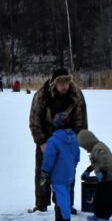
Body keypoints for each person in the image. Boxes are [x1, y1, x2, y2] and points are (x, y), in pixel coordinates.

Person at [29, 68, 88, 212]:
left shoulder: (76, 95)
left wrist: (76, 141)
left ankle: (66, 204)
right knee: (42, 172)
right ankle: (41, 204)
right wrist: (41, 141)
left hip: (67, 140)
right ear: (54, 83)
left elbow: (81, 121)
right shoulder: (41, 95)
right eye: (61, 82)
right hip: (47, 139)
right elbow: (34, 121)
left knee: (67, 173)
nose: (64, 86)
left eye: (67, 82)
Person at [40, 112, 81, 221]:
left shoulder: (53, 141)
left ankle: (63, 220)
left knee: (60, 196)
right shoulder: (73, 138)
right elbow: (77, 156)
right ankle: (65, 217)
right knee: (66, 195)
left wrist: (44, 172)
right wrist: (71, 167)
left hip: (58, 174)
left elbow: (48, 158)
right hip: (69, 173)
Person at [77, 129, 112, 221]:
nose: (85, 149)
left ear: (87, 143)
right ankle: (104, 214)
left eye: (84, 147)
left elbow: (106, 161)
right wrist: (88, 171)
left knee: (103, 197)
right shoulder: (95, 148)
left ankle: (101, 215)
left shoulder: (99, 149)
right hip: (106, 176)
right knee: (103, 196)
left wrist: (103, 173)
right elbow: (95, 162)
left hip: (108, 176)